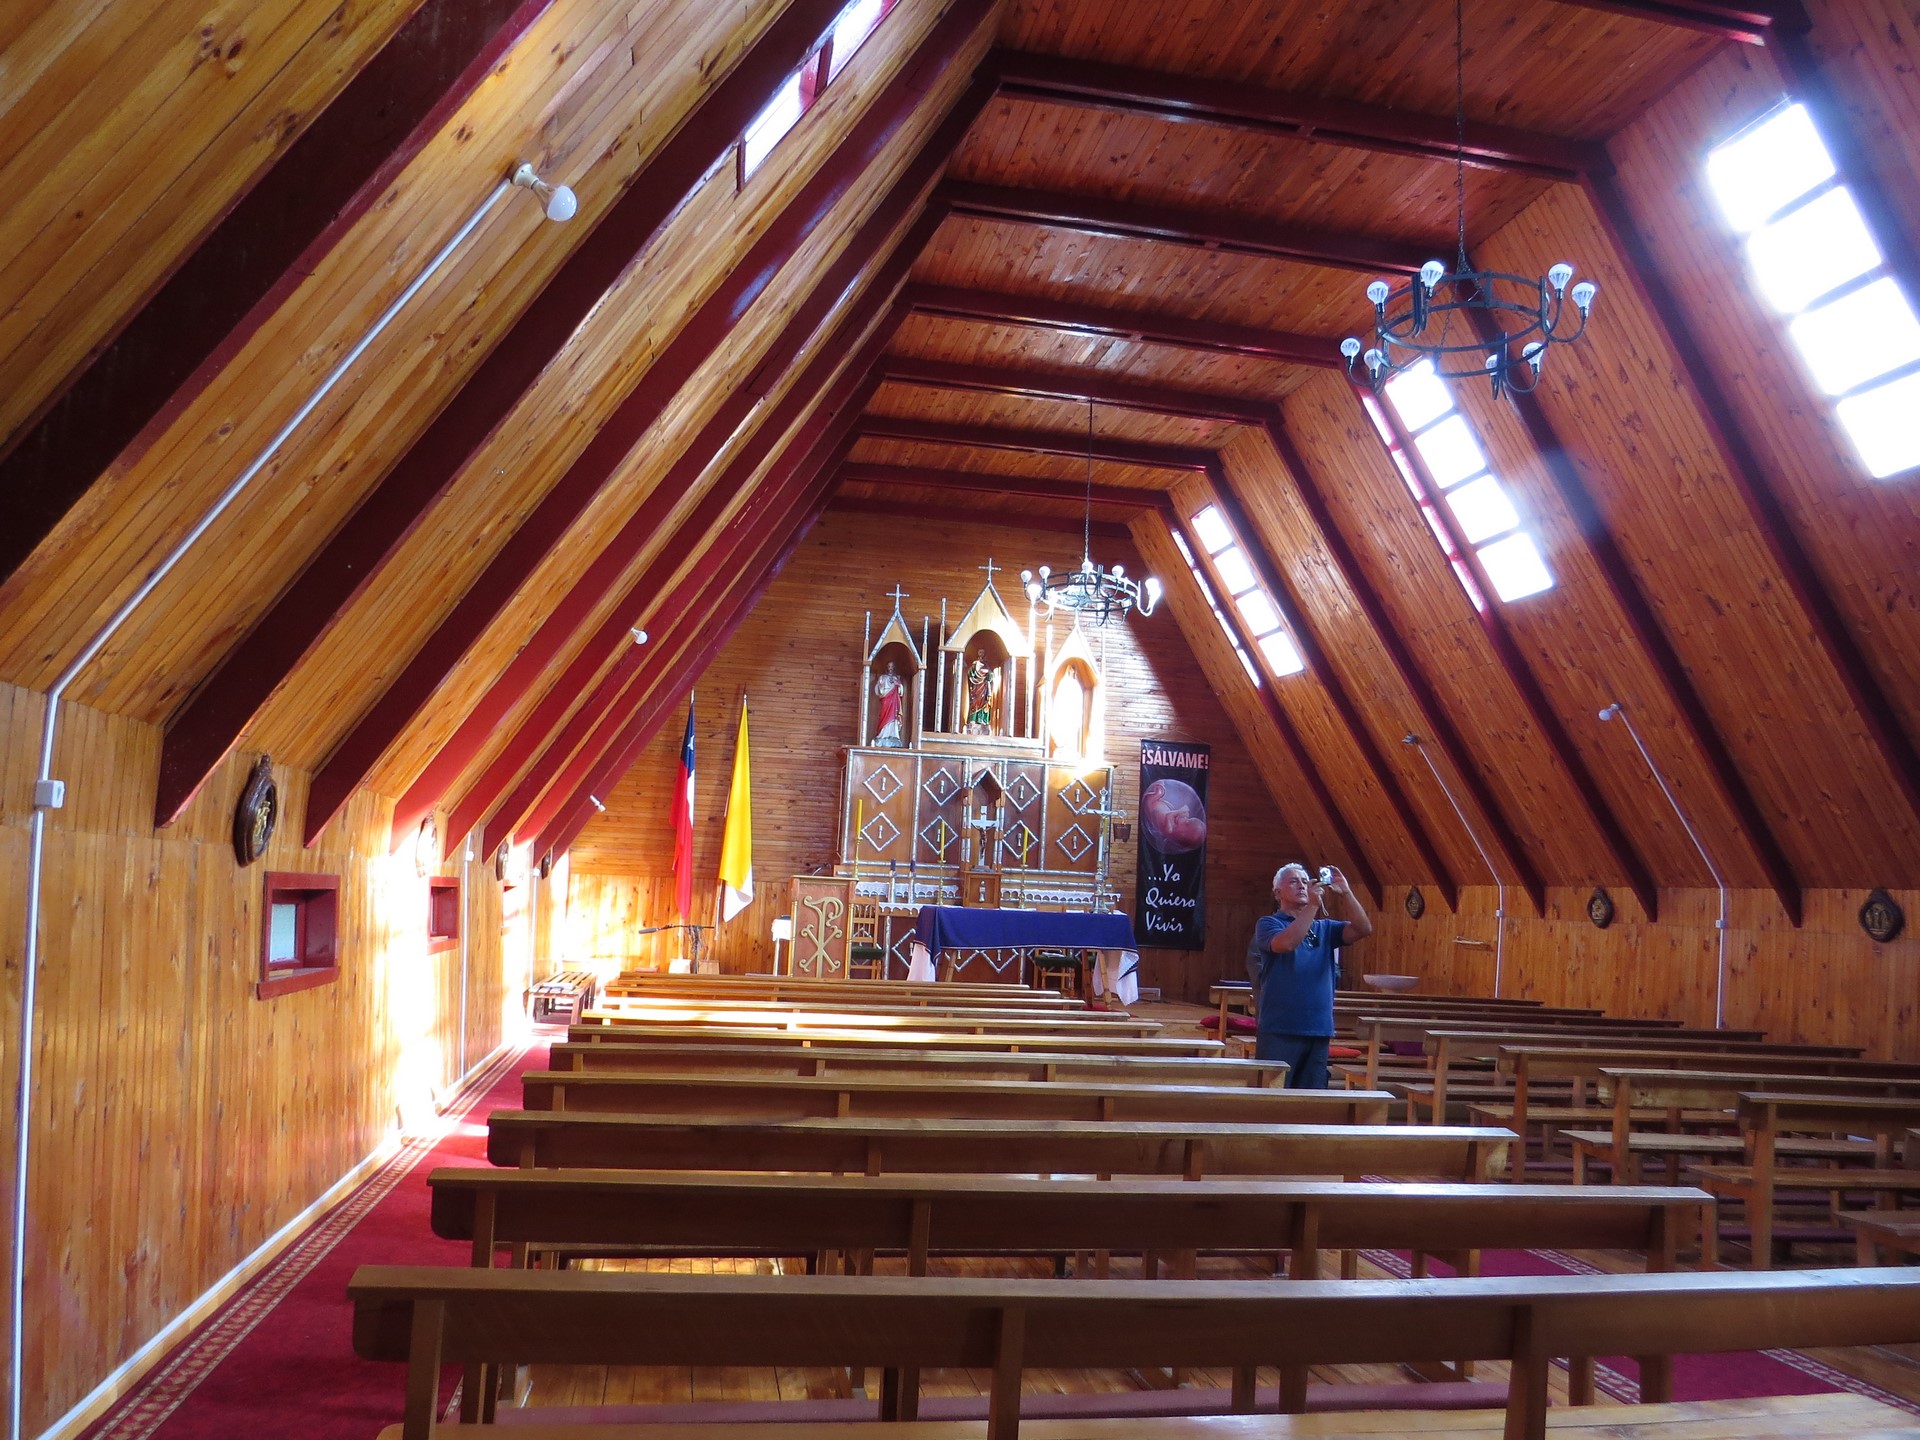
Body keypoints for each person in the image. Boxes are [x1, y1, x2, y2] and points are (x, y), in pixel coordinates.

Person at [1247, 862, 1372, 1088]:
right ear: (1278, 893)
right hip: (1280, 1028)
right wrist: (1313, 906)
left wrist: (1346, 893)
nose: (1302, 886)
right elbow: (1286, 943)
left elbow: (1363, 929)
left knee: (1312, 1098)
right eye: (1294, 881)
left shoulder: (1325, 928)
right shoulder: (1269, 923)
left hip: (1317, 1027)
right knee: (1273, 1095)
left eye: (1305, 881)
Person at [872, 662, 904, 746]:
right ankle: (882, 734)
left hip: (894, 701)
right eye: (889, 666)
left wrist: (898, 684)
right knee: (884, 715)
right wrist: (880, 685)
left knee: (893, 716)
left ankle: (893, 735)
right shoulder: (883, 677)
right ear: (887, 668)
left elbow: (901, 692)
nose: (890, 668)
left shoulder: (896, 678)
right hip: (885, 699)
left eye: (892, 666)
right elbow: (878, 690)